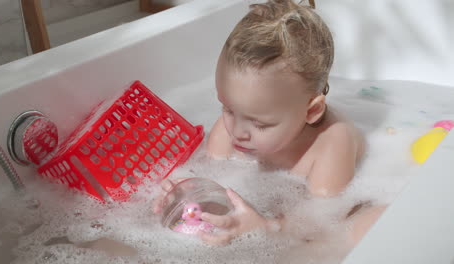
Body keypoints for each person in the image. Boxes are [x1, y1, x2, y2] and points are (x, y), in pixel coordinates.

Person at [154, 0, 366, 245]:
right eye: (228, 108)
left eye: (260, 124)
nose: (237, 132)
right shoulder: (231, 128)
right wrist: (187, 192)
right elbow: (213, 181)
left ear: (312, 111)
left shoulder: (332, 143)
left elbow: (322, 224)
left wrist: (266, 226)